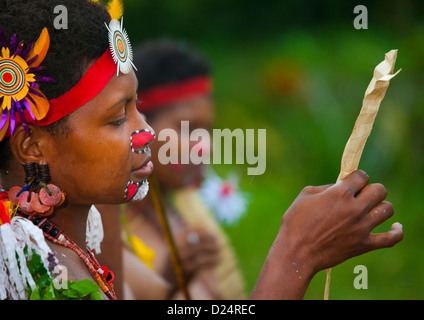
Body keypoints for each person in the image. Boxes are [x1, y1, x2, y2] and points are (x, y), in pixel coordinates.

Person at [0, 0, 403, 300]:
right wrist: (296, 254)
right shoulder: (32, 268)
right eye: (117, 118)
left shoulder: (75, 240)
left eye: (136, 106)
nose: (146, 133)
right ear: (33, 147)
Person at [121, 40, 246, 300]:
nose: (205, 147)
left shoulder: (187, 211)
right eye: (187, 129)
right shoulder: (107, 229)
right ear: (138, 124)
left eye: (208, 131)